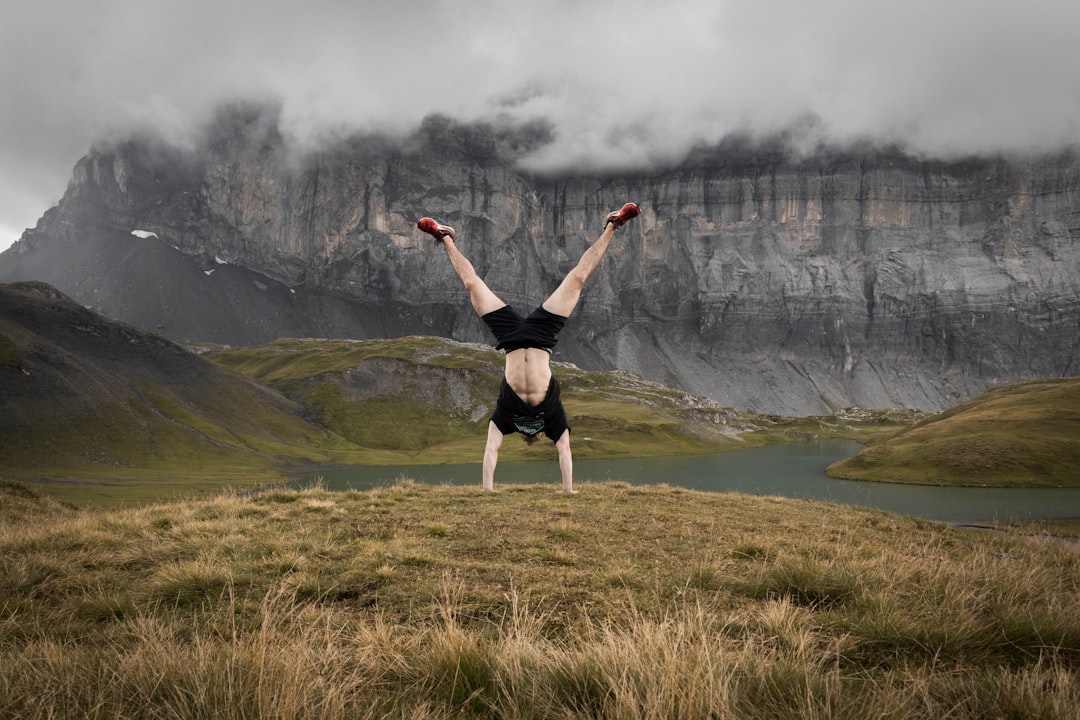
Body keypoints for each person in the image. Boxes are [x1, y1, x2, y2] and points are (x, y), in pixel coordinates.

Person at [417, 203, 641, 493]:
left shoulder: (506, 417)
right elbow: (564, 450)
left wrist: (488, 490)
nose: (531, 436)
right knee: (577, 278)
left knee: (472, 284)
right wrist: (568, 490)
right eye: (533, 436)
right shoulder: (552, 418)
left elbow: (491, 450)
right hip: (541, 337)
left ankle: (444, 236)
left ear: (523, 437)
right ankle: (613, 225)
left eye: (529, 437)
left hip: (510, 338)